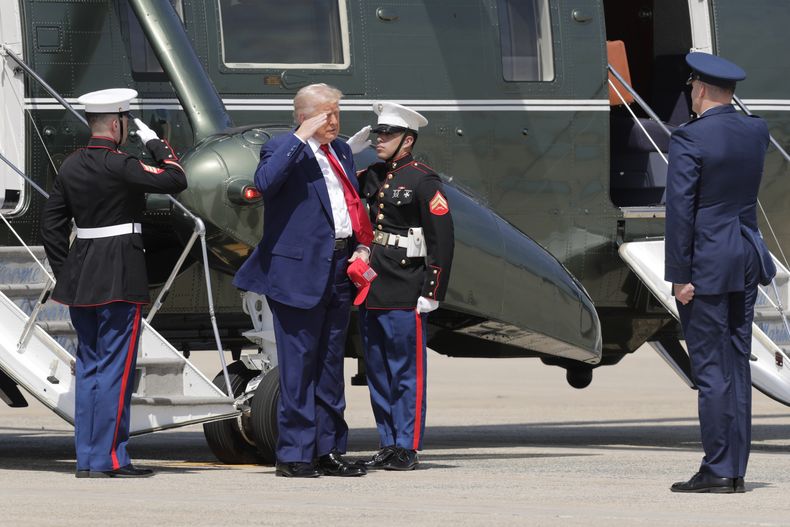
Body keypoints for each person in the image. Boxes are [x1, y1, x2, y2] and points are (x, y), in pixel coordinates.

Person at [41, 88, 187, 478]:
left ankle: (89, 458)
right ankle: (111, 459)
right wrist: (156, 143)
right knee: (115, 372)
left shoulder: (70, 166)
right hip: (119, 277)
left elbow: (51, 225)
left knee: (90, 368)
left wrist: (64, 271)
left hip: (81, 280)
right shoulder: (121, 164)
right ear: (118, 123)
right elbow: (176, 179)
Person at [233, 83, 372, 478]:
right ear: (304, 115)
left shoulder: (341, 151)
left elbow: (349, 204)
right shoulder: (282, 148)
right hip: (297, 271)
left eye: (337, 113)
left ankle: (328, 449)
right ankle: (294, 454)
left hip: (340, 266)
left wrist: (362, 247)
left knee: (330, 366)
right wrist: (301, 137)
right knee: (299, 366)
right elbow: (264, 182)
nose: (334, 121)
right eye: (326, 114)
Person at [665, 53, 775, 493]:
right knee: (736, 363)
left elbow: (680, 212)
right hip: (745, 254)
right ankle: (736, 468)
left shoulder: (690, 138)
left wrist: (679, 274)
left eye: (692, 87)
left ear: (702, 89)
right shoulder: (755, 130)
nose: (690, 94)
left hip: (707, 261)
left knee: (711, 369)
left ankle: (718, 468)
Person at [349, 102, 454, 471]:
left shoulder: (423, 179)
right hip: (373, 284)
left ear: (407, 140)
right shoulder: (374, 174)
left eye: (387, 134)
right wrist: (348, 150)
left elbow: (442, 238)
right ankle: (388, 442)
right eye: (377, 133)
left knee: (406, 371)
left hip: (407, 285)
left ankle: (407, 446)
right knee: (377, 370)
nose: (379, 140)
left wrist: (432, 291)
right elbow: (339, 182)